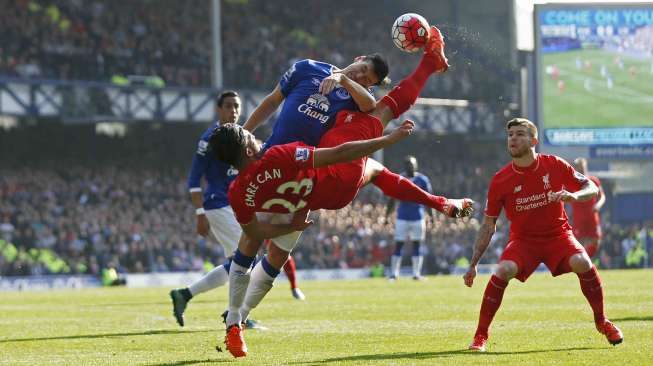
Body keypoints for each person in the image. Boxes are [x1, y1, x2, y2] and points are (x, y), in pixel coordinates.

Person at [212, 25, 473, 358]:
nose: (365, 76)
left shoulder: (352, 96)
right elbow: (289, 115)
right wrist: (385, 141)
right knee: (374, 158)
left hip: (301, 182)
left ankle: (236, 319)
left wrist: (346, 81)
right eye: (363, 69)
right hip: (311, 178)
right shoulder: (305, 73)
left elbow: (369, 104)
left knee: (257, 248)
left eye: (370, 78)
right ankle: (429, 65)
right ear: (357, 58)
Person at [463, 118, 623, 352]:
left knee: (583, 262)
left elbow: (592, 188)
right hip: (523, 241)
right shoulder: (500, 179)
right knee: (502, 270)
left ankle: (602, 321)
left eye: (519, 134)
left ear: (534, 140)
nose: (513, 139)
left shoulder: (554, 164)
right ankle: (480, 336)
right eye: (510, 135)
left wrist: (573, 196)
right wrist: (474, 263)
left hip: (558, 236)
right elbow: (489, 224)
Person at [168, 91, 306, 328]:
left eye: (237, 106)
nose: (234, 111)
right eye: (229, 106)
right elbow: (193, 179)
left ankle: (186, 295)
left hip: (234, 203)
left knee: (239, 262)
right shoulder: (210, 139)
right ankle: (237, 317)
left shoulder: (241, 137)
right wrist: (199, 213)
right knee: (245, 260)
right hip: (217, 202)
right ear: (218, 110)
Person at [386, 155, 433, 280]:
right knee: (399, 244)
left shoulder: (423, 180)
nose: (410, 166)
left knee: (417, 245)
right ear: (404, 166)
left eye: (412, 164)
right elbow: (392, 199)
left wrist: (432, 216)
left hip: (418, 217)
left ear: (416, 165)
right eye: (408, 164)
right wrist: (387, 216)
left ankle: (416, 274)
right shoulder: (399, 179)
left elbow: (429, 200)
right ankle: (394, 274)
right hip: (402, 217)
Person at [570, 157, 605, 258]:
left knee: (596, 241)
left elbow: (602, 196)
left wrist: (598, 205)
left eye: (582, 166)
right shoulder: (571, 181)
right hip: (578, 218)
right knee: (578, 243)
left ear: (585, 166)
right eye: (578, 167)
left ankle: (586, 260)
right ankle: (581, 262)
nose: (580, 169)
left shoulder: (593, 180)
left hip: (592, 216)